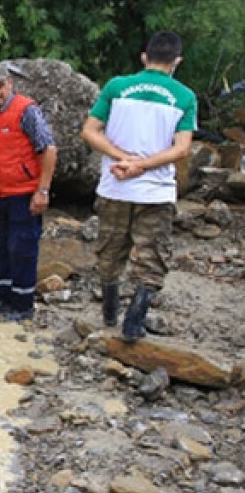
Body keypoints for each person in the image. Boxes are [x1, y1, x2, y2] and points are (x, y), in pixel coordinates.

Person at [80, 31, 197, 341]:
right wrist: (141, 165)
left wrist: (123, 158)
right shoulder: (185, 97)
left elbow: (90, 131)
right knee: (153, 257)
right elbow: (182, 148)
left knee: (109, 253)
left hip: (114, 186)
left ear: (145, 57)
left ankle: (108, 315)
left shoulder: (117, 87)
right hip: (155, 192)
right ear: (177, 61)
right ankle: (133, 325)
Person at [0, 63, 58, 322]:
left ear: (9, 83)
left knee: (22, 247)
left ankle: (23, 303)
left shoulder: (26, 111)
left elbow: (48, 149)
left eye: (0, 86)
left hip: (24, 192)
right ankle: (3, 297)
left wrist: (42, 190)